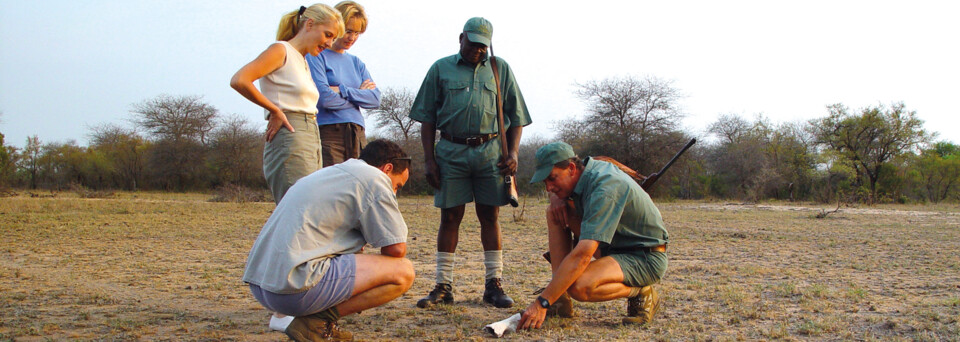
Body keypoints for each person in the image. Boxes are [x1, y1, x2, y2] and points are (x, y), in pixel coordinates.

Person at [408, 17, 531, 309]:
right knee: (449, 217)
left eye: (482, 45)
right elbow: (427, 117)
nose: (477, 50)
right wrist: (429, 160)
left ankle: (493, 285)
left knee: (490, 217)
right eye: (472, 43)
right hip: (450, 151)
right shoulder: (441, 68)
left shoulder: (500, 69)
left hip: (491, 153)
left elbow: (517, 117)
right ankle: (443, 286)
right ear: (460, 38)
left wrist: (512, 154)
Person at [242, 139, 416, 341]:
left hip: (262, 285)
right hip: (291, 289)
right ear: (387, 168)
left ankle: (314, 320)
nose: (394, 192)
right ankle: (315, 323)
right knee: (403, 272)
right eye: (397, 185)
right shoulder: (374, 178)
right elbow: (396, 249)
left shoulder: (331, 173)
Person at [518, 142, 669, 329]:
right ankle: (561, 301)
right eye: (545, 182)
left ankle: (642, 290)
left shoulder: (604, 188)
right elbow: (559, 192)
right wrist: (556, 198)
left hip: (644, 257)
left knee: (578, 285)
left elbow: (583, 255)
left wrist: (542, 303)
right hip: (615, 246)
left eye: (552, 178)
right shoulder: (588, 170)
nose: (548, 187)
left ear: (572, 168)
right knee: (555, 212)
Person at [230, 4, 344, 204]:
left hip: (310, 134)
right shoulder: (280, 50)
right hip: (291, 132)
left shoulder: (303, 60)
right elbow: (240, 80)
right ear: (309, 24)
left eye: (333, 38)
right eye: (327, 35)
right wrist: (274, 109)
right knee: (298, 208)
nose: (329, 43)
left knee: (310, 209)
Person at [306, 1, 380, 167]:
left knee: (357, 187)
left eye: (357, 33)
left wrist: (342, 90)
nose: (352, 38)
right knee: (332, 188)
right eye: (348, 31)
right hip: (330, 132)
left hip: (357, 133)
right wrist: (358, 94)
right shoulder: (317, 55)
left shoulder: (356, 63)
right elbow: (324, 99)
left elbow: (375, 99)